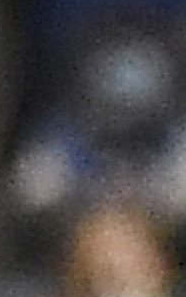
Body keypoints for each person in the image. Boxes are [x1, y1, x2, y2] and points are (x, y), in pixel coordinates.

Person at [18, 32, 186, 250]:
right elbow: (32, 190)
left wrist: (147, 202)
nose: (126, 109)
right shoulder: (65, 138)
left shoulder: (174, 140)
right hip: (69, 252)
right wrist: (90, 202)